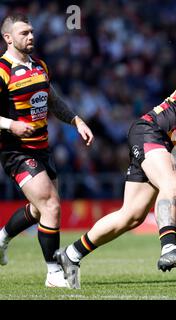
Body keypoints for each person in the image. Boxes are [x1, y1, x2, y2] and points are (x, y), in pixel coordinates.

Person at [53, 38, 176, 289]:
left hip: (162, 143)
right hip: (149, 131)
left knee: (131, 216)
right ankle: (169, 247)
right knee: (172, 183)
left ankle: (70, 255)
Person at [0, 14, 94, 288]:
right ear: (8, 38)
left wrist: (77, 120)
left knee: (41, 209)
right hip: (15, 151)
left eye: (31, 31)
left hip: (42, 147)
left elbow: (52, 100)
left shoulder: (39, 66)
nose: (31, 37)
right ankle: (54, 273)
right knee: (51, 205)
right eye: (24, 33)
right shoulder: (3, 70)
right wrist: (11, 125)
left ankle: (3, 238)